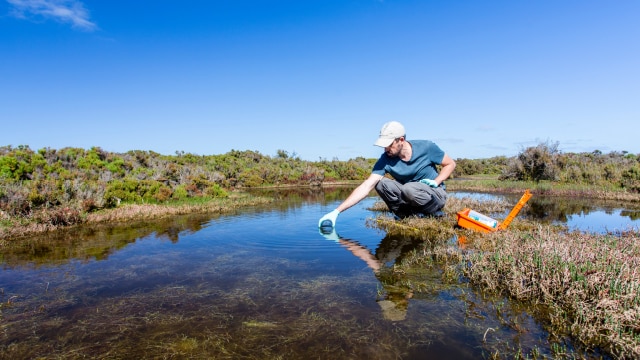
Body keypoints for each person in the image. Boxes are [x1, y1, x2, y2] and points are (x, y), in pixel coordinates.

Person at [318, 121, 456, 228]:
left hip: (435, 194)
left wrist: (436, 181)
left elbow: (450, 164)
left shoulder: (426, 147)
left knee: (409, 188)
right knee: (380, 183)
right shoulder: (385, 159)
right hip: (410, 194)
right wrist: (336, 212)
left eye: (389, 144)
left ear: (401, 140)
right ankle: (405, 215)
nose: (386, 149)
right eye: (384, 145)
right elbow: (366, 186)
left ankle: (434, 214)